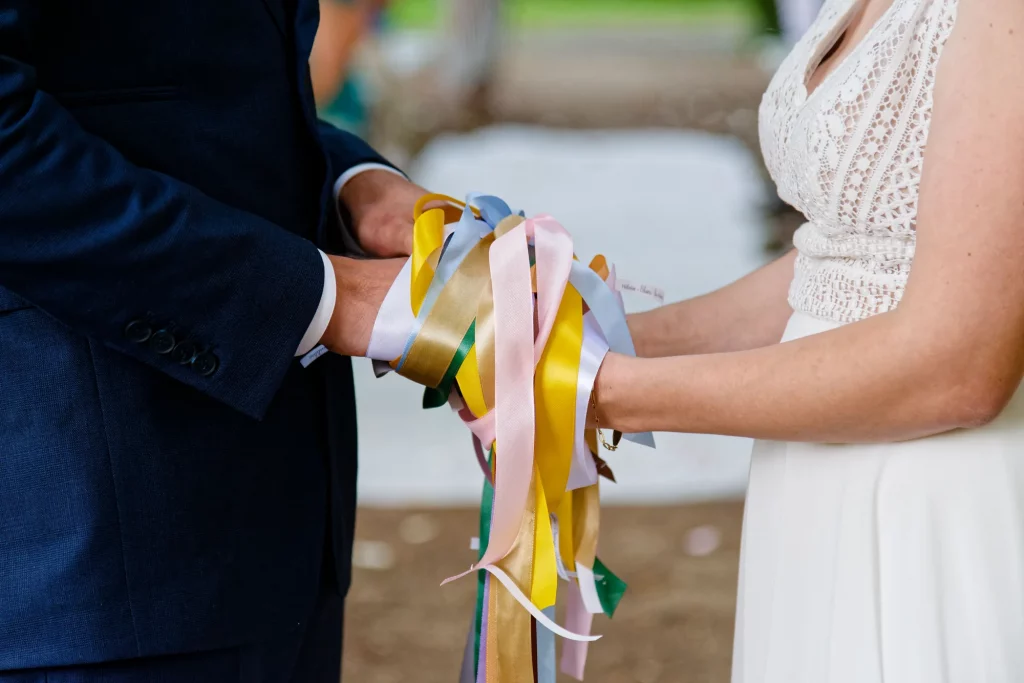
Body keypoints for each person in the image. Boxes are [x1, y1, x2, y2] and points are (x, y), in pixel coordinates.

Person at [595, 0, 1024, 680]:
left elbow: (960, 366)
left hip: (931, 491)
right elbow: (843, 260)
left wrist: (608, 392)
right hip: (810, 475)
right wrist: (601, 344)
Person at [0, 1, 417, 681]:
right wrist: (329, 299)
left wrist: (356, 182)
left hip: (276, 528)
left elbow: (170, 85)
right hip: (85, 548)